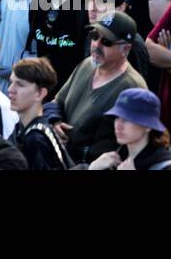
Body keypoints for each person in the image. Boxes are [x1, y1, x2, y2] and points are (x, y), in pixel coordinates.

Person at [54, 12, 149, 163]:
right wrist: (54, 121)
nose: (96, 44)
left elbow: (124, 148)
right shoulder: (86, 65)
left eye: (106, 41)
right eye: (94, 36)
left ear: (125, 49)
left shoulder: (133, 89)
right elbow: (56, 102)